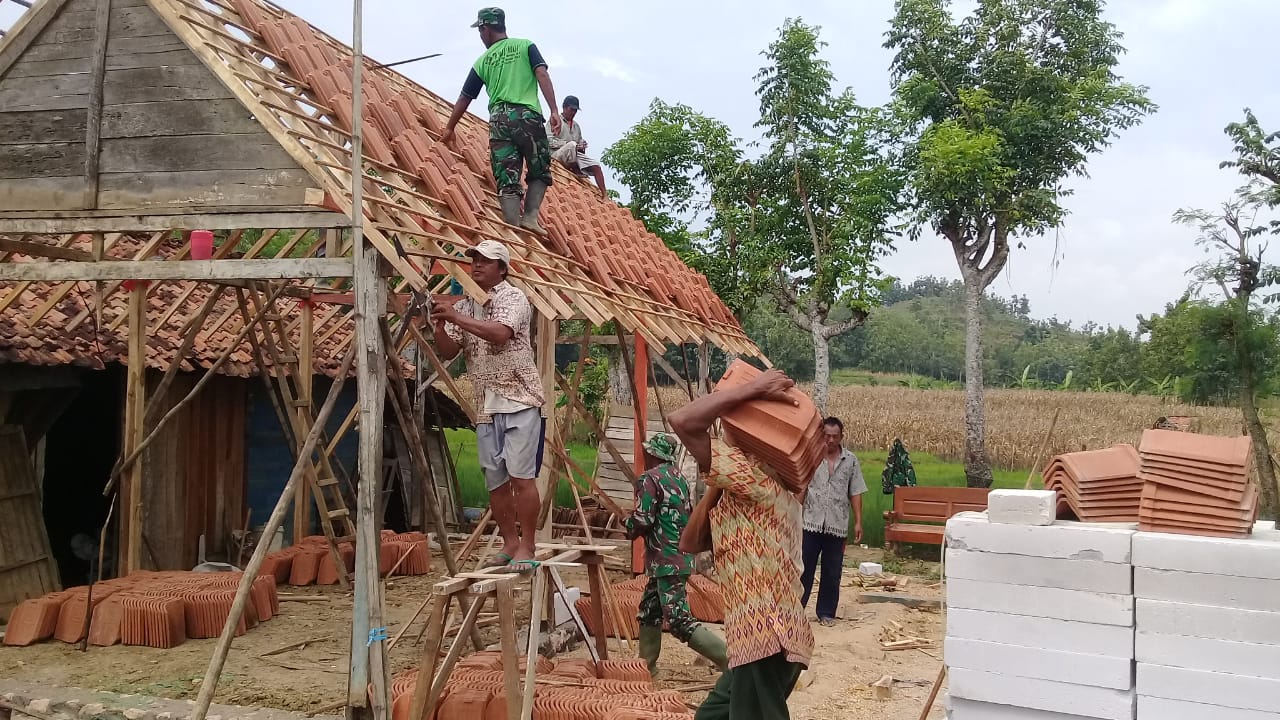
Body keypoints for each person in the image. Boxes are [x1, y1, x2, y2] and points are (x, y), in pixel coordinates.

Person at [671, 369, 815, 720]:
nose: (723, 427)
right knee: (711, 716)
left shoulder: (755, 478)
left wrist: (752, 388)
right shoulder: (746, 487)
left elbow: (683, 421)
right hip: (757, 637)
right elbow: (690, 543)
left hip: (765, 634)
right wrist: (717, 484)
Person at [431, 239, 545, 570]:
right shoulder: (465, 306)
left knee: (522, 478)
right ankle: (509, 542)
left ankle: (528, 545)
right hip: (485, 405)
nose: (477, 265)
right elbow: (450, 351)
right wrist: (440, 324)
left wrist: (456, 317)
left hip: (519, 399)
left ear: (502, 269)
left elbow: (499, 334)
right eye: (474, 260)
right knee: (495, 480)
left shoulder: (513, 298)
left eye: (486, 261)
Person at [439, 7, 561, 234]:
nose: (480, 36)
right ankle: (531, 218)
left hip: (498, 121)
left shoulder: (482, 61)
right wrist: (554, 109)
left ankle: (512, 226)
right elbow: (542, 74)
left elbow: (465, 97)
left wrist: (449, 128)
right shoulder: (526, 46)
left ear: (485, 29)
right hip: (527, 117)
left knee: (507, 176)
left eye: (480, 31)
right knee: (539, 167)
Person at [623, 433, 729, 676]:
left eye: (648, 452)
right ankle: (647, 669)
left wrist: (626, 524)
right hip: (678, 557)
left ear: (653, 454)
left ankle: (728, 660)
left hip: (665, 559)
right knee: (650, 610)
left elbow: (643, 519)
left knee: (679, 620)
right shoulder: (679, 478)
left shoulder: (649, 479)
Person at [799, 417, 867, 627]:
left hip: (836, 525)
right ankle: (796, 610)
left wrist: (858, 521)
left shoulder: (851, 460)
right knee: (804, 569)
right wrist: (795, 513)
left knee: (832, 571)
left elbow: (855, 492)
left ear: (841, 437)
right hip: (810, 522)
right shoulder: (811, 457)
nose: (830, 440)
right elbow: (802, 487)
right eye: (826, 436)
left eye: (834, 437)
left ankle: (826, 612)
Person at [547, 96, 608, 197]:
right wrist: (568, 144)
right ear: (565, 108)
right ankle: (575, 169)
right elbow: (548, 141)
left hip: (574, 156)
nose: (573, 113)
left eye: (575, 110)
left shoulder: (576, 126)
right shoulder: (555, 120)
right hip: (556, 155)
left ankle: (605, 195)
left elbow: (578, 144)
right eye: (572, 109)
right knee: (572, 144)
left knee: (596, 166)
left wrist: (582, 146)